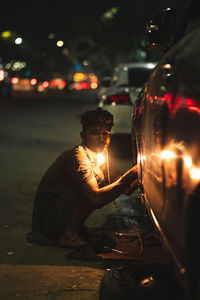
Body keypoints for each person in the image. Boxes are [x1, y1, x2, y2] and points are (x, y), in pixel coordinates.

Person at [30, 107, 138, 248]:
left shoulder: (101, 157)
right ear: (83, 136)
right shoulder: (76, 157)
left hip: (59, 216)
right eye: (95, 133)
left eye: (106, 133)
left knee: (101, 180)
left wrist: (144, 168)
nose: (101, 139)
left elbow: (127, 188)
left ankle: (75, 228)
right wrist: (131, 174)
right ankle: (69, 234)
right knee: (94, 183)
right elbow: (96, 198)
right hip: (47, 223)